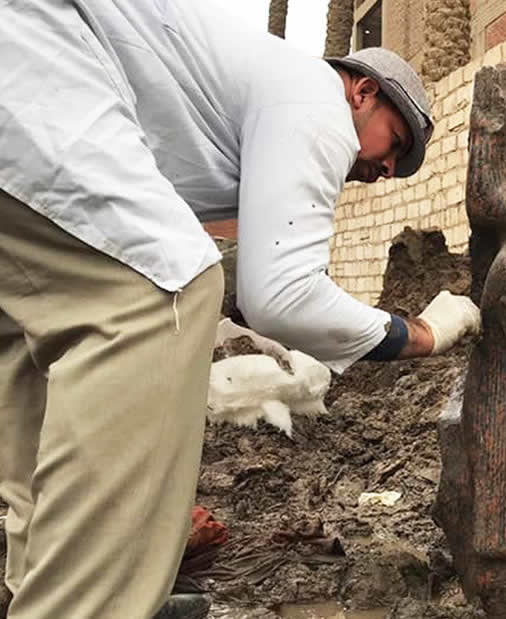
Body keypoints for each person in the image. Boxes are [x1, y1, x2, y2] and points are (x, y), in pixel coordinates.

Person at [0, 0, 480, 617]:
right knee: (163, 292)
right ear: (362, 92)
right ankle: (87, 600)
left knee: (34, 340)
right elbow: (279, 295)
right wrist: (420, 333)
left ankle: (37, 576)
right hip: (37, 70)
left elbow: (258, 277)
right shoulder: (316, 99)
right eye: (397, 143)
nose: (387, 170)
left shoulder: (250, 107)